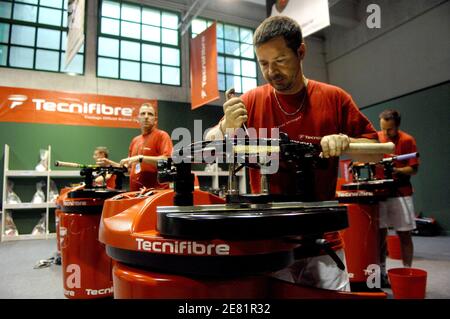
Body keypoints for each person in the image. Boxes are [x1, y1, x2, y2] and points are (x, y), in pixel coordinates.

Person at [206, 15, 379, 291]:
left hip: (323, 243)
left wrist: (345, 141)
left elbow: (377, 150)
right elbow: (210, 143)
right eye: (263, 63)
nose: (271, 71)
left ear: (300, 52)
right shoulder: (251, 100)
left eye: (280, 60)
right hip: (268, 243)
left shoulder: (334, 98)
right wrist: (226, 126)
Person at [377, 109, 419, 287]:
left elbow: (414, 169)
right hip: (380, 193)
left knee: (404, 234)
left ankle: (407, 271)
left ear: (397, 126)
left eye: (390, 130)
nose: (386, 134)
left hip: (401, 193)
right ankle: (381, 273)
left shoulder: (408, 140)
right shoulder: (376, 138)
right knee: (379, 236)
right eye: (383, 129)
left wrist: (398, 171)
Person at [119, 103, 173, 191]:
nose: (146, 117)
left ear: (155, 120)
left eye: (150, 114)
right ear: (138, 119)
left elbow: (167, 161)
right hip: (135, 194)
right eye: (143, 114)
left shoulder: (162, 135)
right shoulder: (135, 140)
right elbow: (129, 168)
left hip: (155, 195)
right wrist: (112, 166)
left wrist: (141, 158)